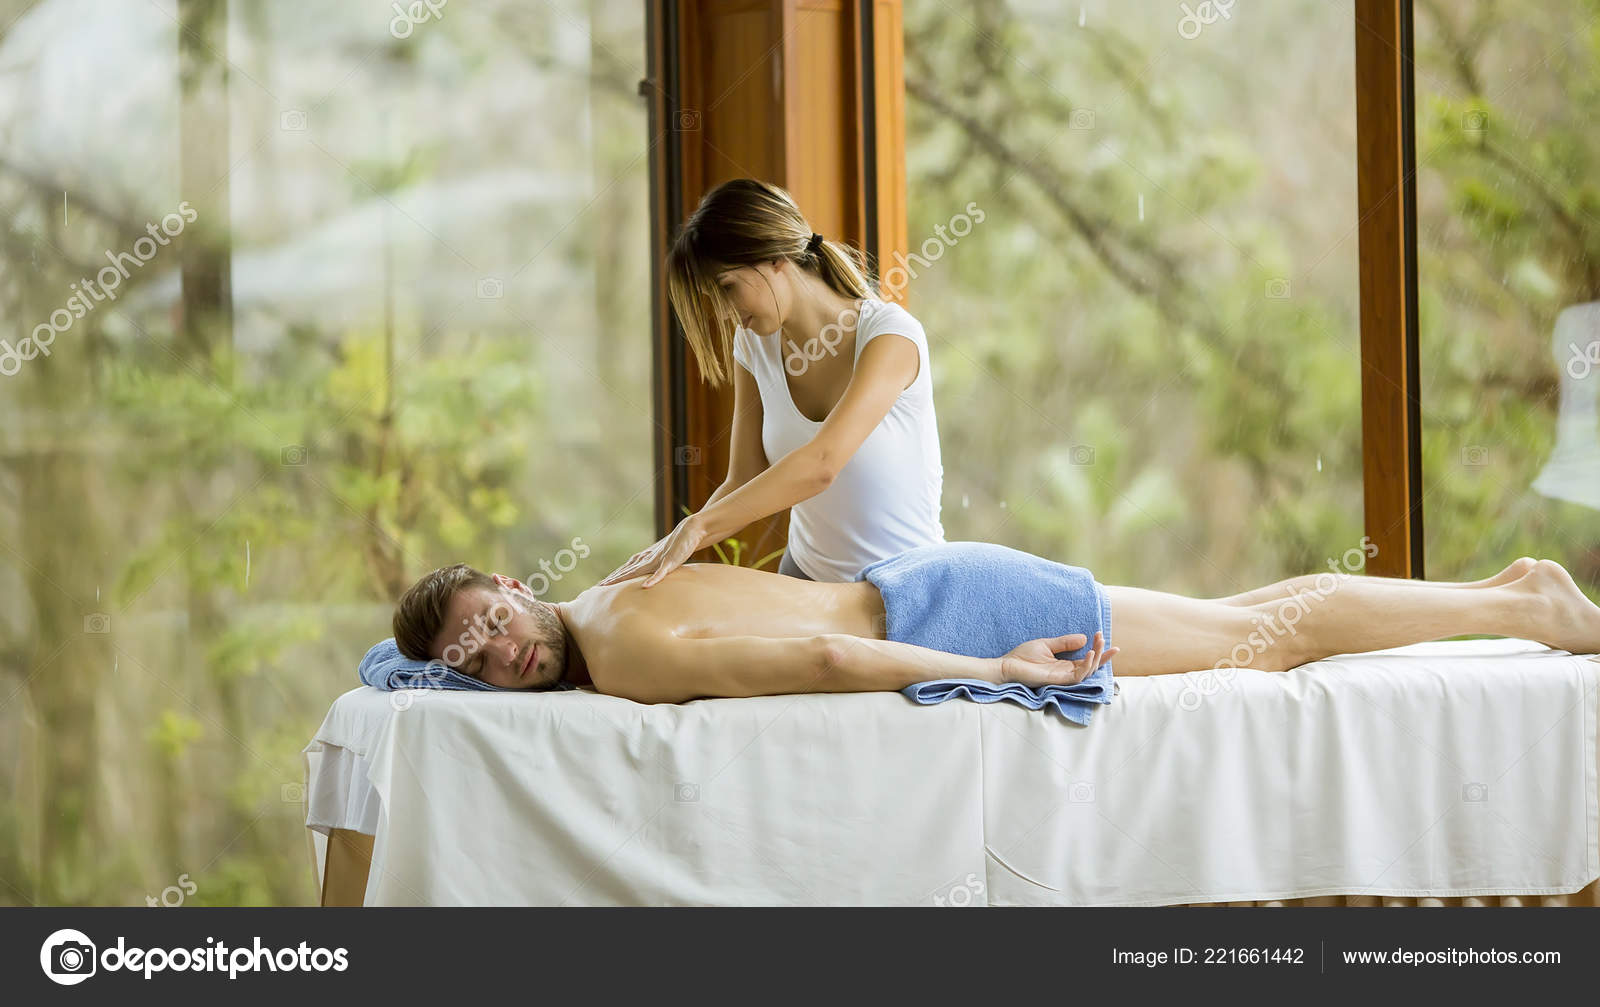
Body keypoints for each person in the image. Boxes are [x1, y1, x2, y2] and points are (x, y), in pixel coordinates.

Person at [390, 544, 1600, 706]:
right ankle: (1503, 593)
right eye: (468, 662)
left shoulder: (620, 653)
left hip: (954, 609)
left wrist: (992, 668)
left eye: (488, 619)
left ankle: (1525, 606)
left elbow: (825, 655)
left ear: (510, 582)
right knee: (1246, 618)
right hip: (930, 580)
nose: (500, 652)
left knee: (1271, 638)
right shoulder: (611, 587)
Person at [599, 178, 945, 588]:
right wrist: (664, 550)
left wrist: (698, 527)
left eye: (727, 288)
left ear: (776, 258)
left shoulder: (891, 336)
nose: (724, 312)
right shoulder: (753, 343)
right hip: (805, 581)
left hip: (905, 589)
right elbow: (743, 476)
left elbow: (821, 465)